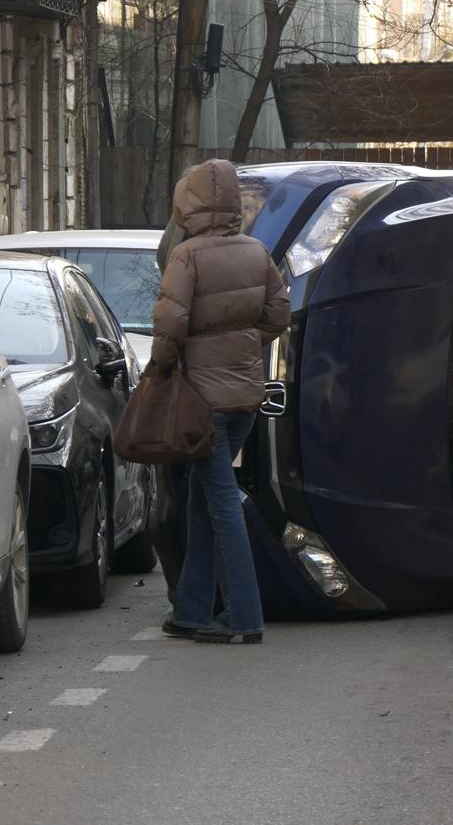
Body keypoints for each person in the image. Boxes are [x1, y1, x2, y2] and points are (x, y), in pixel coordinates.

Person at [153, 159, 290, 644]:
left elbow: (170, 327)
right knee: (201, 500)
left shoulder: (187, 255)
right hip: (245, 398)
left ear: (188, 203)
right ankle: (190, 610)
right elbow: (279, 314)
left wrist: (163, 366)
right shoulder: (257, 250)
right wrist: (244, 340)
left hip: (201, 399)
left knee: (222, 504)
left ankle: (244, 617)